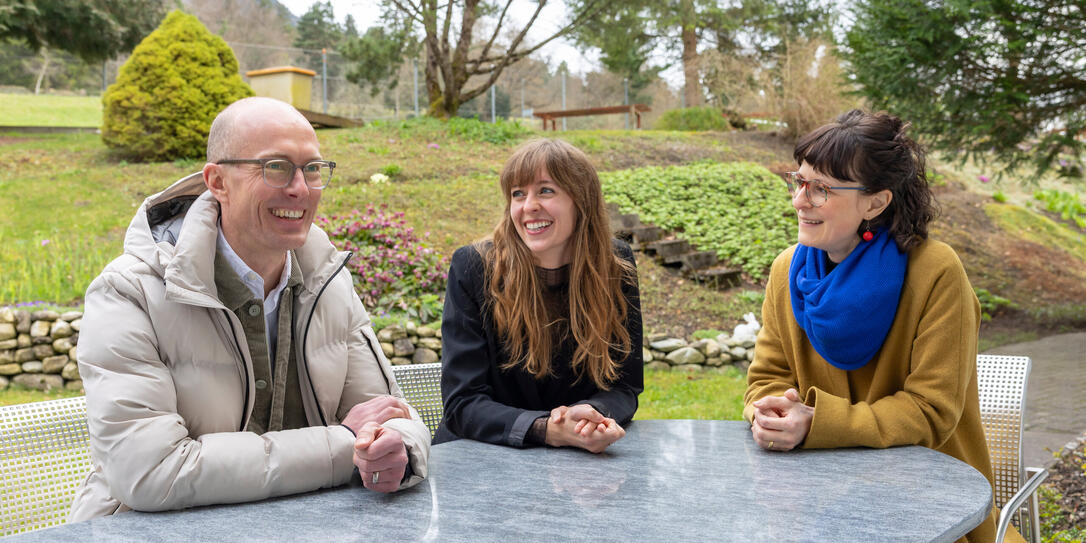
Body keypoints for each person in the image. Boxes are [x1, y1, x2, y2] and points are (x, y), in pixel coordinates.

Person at [70, 97, 430, 520]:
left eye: (313, 169)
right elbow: (151, 473)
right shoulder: (129, 292)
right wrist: (344, 444)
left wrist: (395, 450)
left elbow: (391, 412)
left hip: (301, 526)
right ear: (217, 182)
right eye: (275, 167)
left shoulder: (329, 280)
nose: (300, 188)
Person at [743, 109, 1016, 542]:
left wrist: (817, 423)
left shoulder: (935, 272)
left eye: (821, 190)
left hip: (929, 511)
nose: (799, 201)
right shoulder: (786, 272)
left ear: (876, 201)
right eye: (799, 182)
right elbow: (766, 380)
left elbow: (931, 410)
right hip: (812, 502)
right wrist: (769, 413)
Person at [436, 138, 643, 452]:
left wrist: (591, 417)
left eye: (546, 190)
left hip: (579, 467)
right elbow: (463, 404)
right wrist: (548, 429)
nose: (528, 205)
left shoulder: (615, 265)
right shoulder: (474, 268)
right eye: (518, 193)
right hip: (482, 462)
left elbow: (624, 385)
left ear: (581, 200)